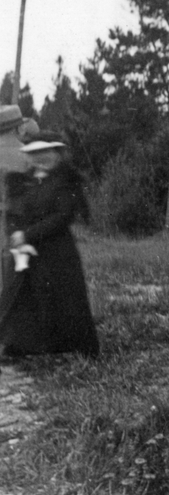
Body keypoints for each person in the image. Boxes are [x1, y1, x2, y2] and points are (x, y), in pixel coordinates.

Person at [0, 132, 99, 359]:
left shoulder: (66, 181)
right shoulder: (22, 181)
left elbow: (62, 216)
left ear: (57, 154)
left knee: (61, 298)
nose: (40, 158)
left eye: (45, 153)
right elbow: (13, 211)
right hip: (26, 252)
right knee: (23, 297)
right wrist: (16, 235)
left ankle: (65, 348)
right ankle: (22, 346)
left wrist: (28, 235)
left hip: (56, 251)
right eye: (34, 153)